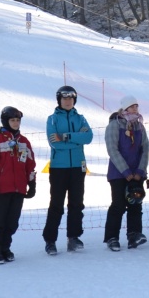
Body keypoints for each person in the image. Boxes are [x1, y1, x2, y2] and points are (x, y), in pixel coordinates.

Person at [44, 85, 94, 254]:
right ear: (59, 100)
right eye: (64, 98)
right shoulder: (52, 119)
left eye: (70, 98)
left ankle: (73, 237)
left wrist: (66, 136)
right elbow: (54, 143)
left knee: (77, 204)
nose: (67, 101)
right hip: (59, 168)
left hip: (77, 168)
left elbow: (88, 137)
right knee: (56, 204)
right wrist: (76, 140)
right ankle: (50, 240)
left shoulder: (80, 118)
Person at [0, 106, 37, 263]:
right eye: (12, 120)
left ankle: (4, 248)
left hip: (19, 189)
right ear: (5, 121)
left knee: (12, 222)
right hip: (2, 189)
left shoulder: (24, 142)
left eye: (17, 120)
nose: (15, 123)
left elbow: (30, 165)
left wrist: (31, 184)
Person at [103, 96, 149, 251]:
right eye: (132, 106)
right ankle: (112, 237)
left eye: (136, 106)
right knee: (118, 205)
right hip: (119, 173)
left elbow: (145, 149)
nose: (135, 109)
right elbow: (112, 150)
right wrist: (126, 171)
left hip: (137, 173)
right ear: (124, 109)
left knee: (135, 204)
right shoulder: (114, 125)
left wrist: (140, 171)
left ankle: (134, 235)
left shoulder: (140, 127)